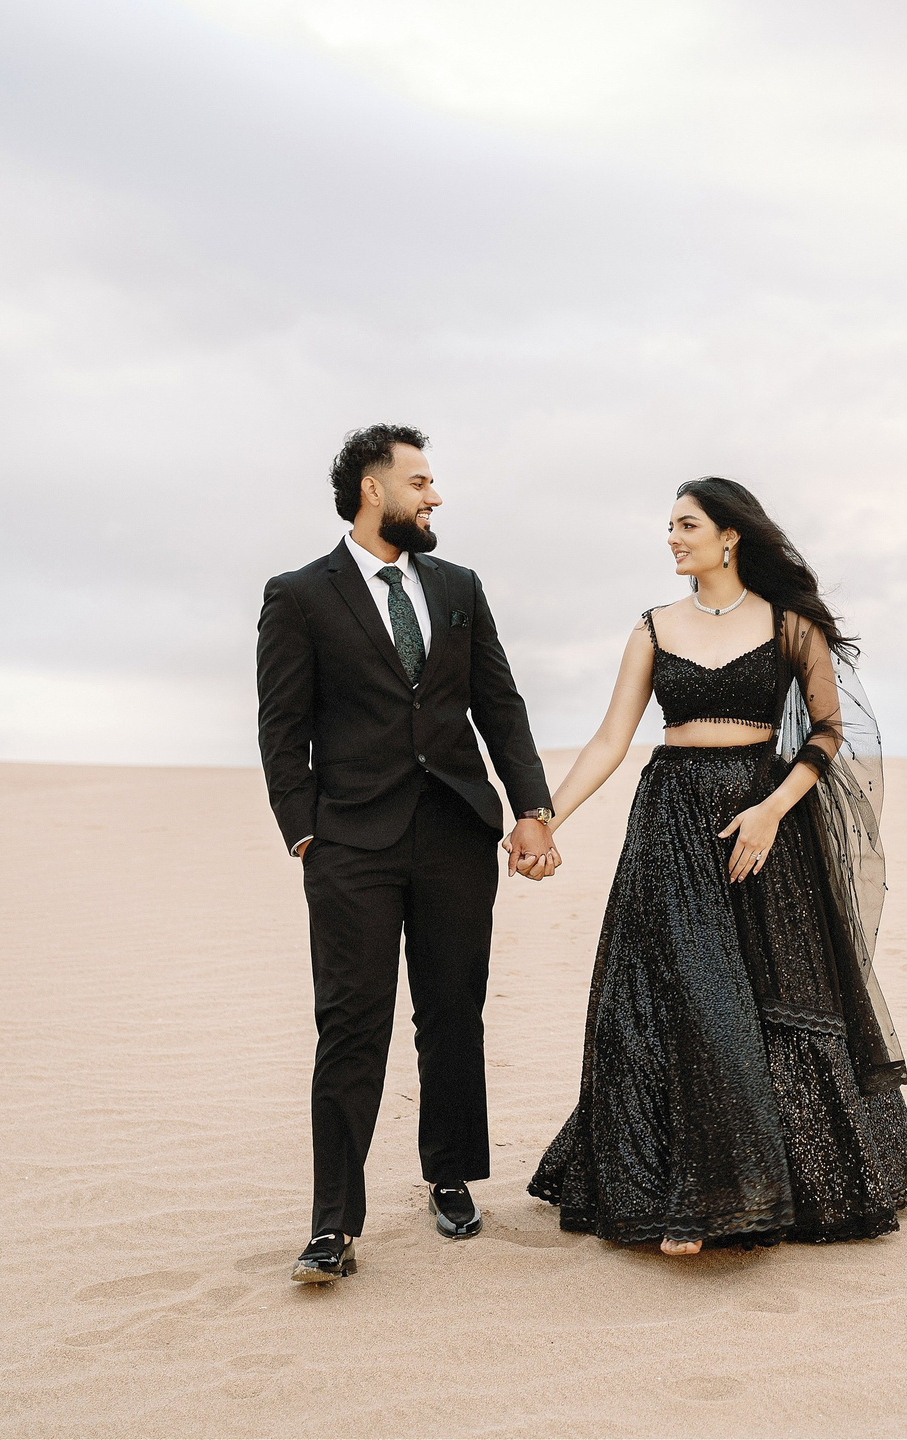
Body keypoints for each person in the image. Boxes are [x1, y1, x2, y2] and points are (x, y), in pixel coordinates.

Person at [526, 477, 907, 1254]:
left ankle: (752, 1189)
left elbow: (827, 731)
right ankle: (698, 1197)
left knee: (770, 996)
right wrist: (546, 818)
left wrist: (773, 810)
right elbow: (610, 740)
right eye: (670, 526)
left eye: (687, 525)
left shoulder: (790, 625)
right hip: (672, 818)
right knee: (691, 996)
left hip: (764, 821)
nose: (673, 539)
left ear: (730, 535)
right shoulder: (653, 627)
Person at [256, 424, 562, 1284]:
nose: (434, 496)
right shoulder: (299, 595)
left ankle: (450, 1176)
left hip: (456, 831)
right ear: (372, 489)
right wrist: (304, 831)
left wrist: (532, 809)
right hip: (350, 842)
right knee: (352, 1025)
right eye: (420, 482)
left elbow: (499, 704)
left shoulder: (458, 586)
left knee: (453, 1014)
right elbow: (281, 726)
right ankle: (332, 1224)